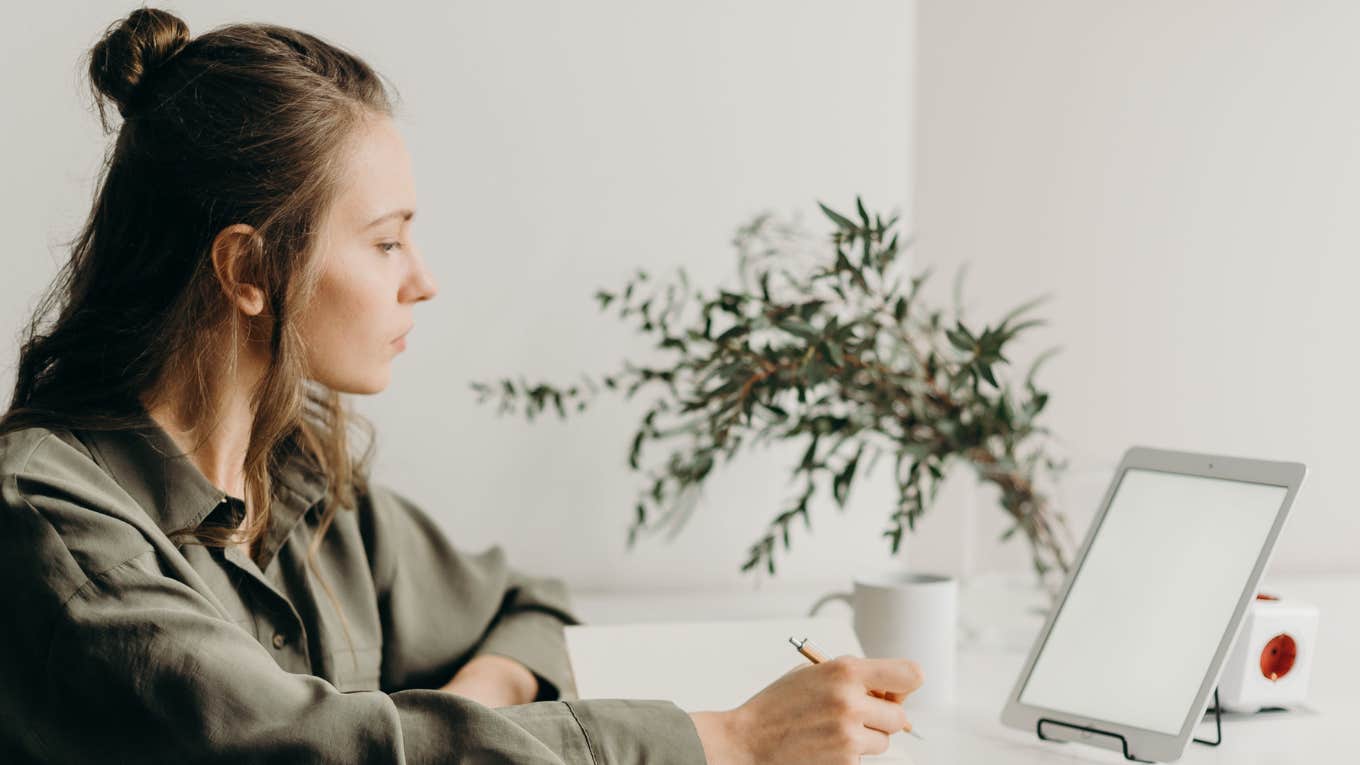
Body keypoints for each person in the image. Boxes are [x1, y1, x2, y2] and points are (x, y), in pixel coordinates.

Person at [0, 7, 924, 764]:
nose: (422, 279)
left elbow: (528, 607)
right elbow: (296, 748)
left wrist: (470, 706)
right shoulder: (47, 521)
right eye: (387, 240)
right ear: (249, 269)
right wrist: (730, 738)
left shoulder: (307, 486)